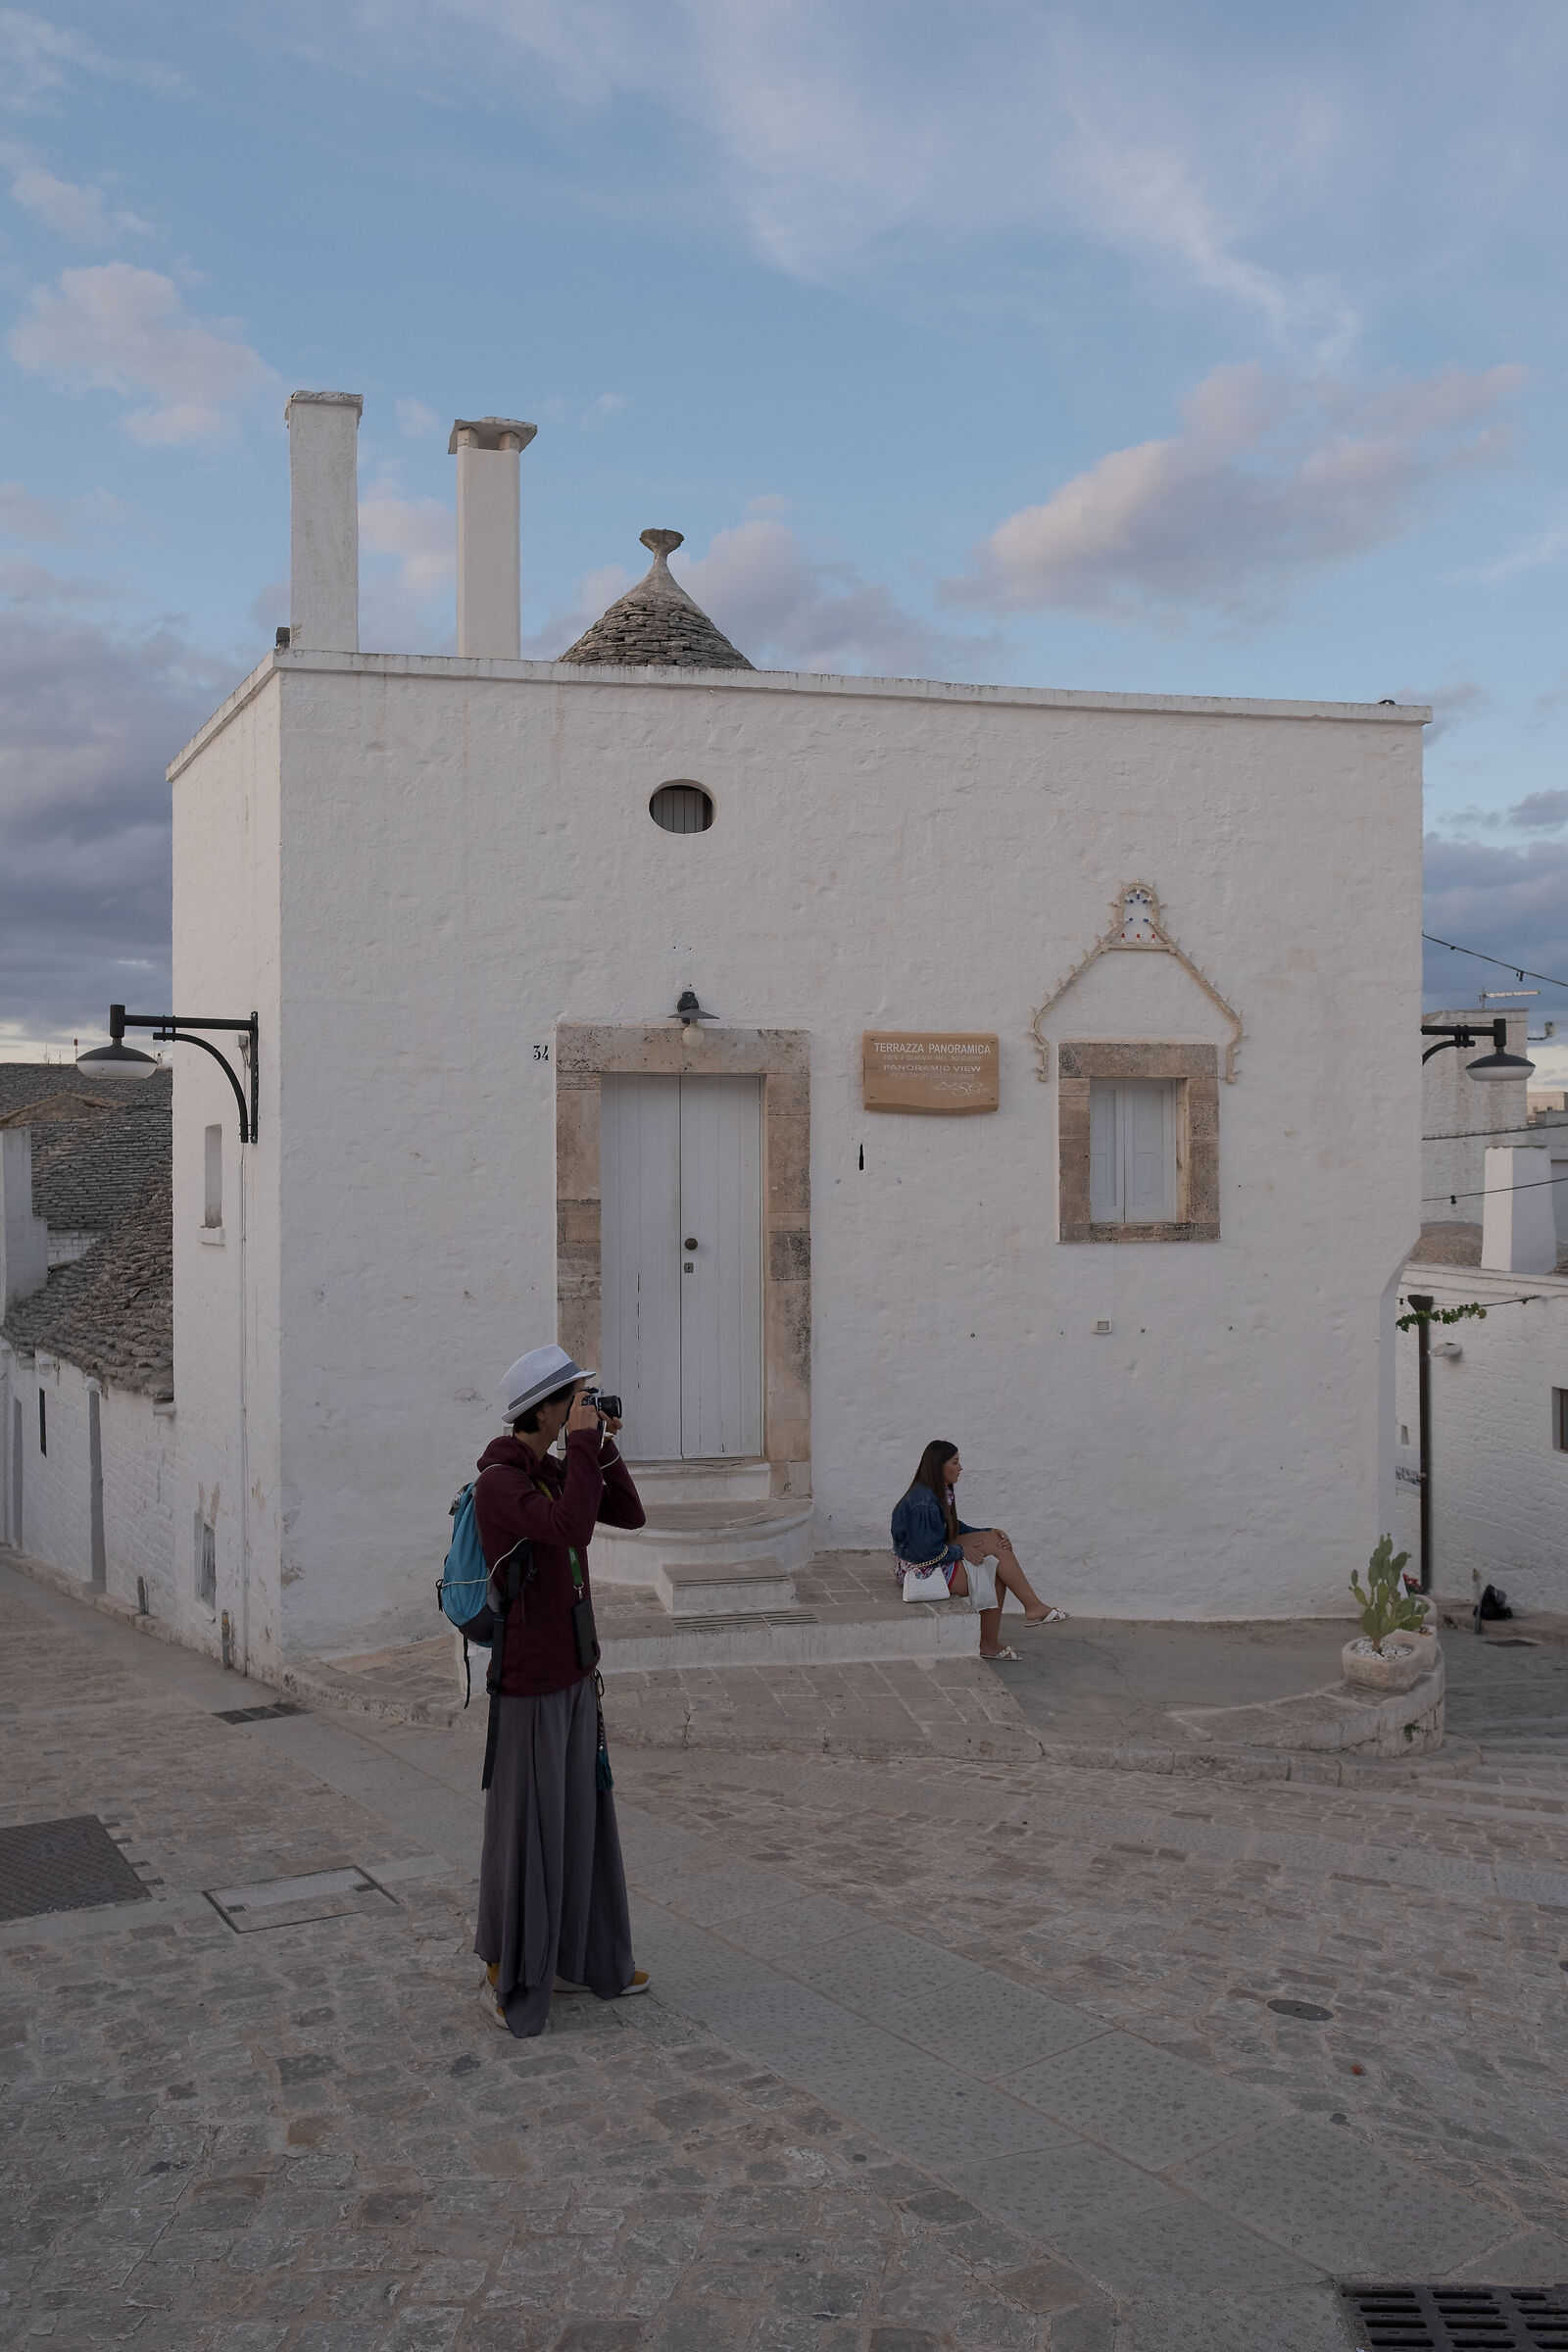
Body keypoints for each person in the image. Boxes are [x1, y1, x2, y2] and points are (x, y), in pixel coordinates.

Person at [471, 1343, 650, 2035]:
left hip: (574, 1675)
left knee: (580, 1825)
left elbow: (627, 1514)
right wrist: (580, 1446)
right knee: (528, 1834)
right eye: (573, 1397)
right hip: (529, 1686)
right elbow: (572, 1527)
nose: (582, 1404)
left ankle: (582, 1955)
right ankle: (511, 1964)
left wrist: (597, 1448)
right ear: (543, 1409)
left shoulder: (550, 1471)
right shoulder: (500, 1485)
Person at [890, 1438, 1066, 1661]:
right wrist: (962, 1553)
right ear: (938, 1466)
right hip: (919, 1571)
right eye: (955, 1462)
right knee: (995, 1576)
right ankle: (993, 1640)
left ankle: (1030, 1609)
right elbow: (926, 1552)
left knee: (994, 1540)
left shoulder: (936, 1491)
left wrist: (988, 1531)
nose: (960, 1468)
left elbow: (950, 1527)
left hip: (929, 1557)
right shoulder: (923, 1502)